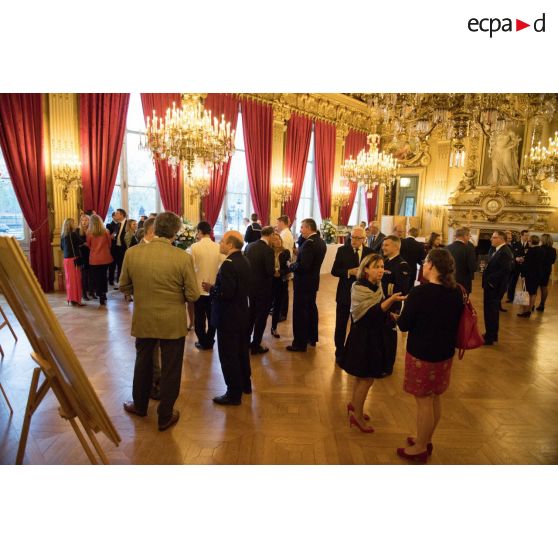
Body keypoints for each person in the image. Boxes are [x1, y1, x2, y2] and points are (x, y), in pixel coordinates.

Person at [120, 212, 200, 431]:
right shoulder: (182, 257)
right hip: (172, 322)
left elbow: (124, 286)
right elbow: (193, 294)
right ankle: (165, 415)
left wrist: (143, 294)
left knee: (143, 363)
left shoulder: (132, 253)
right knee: (171, 368)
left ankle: (140, 405)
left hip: (144, 318)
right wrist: (174, 296)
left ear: (154, 228)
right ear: (176, 232)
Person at [396, 248, 464, 463]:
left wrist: (401, 311)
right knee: (434, 398)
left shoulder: (420, 293)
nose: (423, 265)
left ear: (432, 266)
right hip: (445, 353)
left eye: (426, 262)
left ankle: (420, 448)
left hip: (422, 354)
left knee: (424, 401)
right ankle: (425, 439)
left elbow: (404, 325)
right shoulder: (457, 291)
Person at [340, 254, 405, 432]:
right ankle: (358, 417)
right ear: (366, 269)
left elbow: (379, 312)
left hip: (372, 336)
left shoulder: (376, 285)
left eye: (382, 266)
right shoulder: (359, 286)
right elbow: (370, 314)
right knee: (367, 379)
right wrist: (391, 300)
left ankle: (354, 405)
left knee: (361, 377)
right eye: (376, 267)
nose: (381, 270)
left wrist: (390, 315)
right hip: (363, 337)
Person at [203, 231, 252, 405]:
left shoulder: (228, 264)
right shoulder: (244, 259)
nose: (220, 243)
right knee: (241, 352)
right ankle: (245, 385)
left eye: (223, 241)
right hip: (241, 313)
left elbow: (226, 293)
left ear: (230, 245)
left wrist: (211, 288)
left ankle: (233, 394)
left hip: (228, 317)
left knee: (228, 355)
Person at [331, 226, 372, 363]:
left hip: (363, 296)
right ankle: (339, 350)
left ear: (364, 239)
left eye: (357, 238)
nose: (354, 240)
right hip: (344, 293)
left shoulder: (370, 252)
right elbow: (335, 271)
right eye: (352, 237)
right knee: (341, 324)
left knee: (358, 325)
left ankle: (354, 350)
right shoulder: (342, 250)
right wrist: (349, 272)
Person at [287, 218, 327, 352]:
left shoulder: (309, 243)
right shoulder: (320, 241)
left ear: (309, 228)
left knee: (300, 313)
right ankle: (311, 337)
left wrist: (291, 266)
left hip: (303, 283)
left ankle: (299, 343)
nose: (300, 230)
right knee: (311, 310)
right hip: (312, 282)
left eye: (302, 227)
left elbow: (304, 267)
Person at [190, 221, 222, 350]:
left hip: (199, 287)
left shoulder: (194, 247)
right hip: (213, 287)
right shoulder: (218, 246)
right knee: (212, 316)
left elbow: (190, 267)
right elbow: (223, 265)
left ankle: (203, 341)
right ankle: (209, 340)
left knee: (199, 317)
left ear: (200, 231)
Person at [245, 225, 275, 354]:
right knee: (261, 317)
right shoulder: (268, 250)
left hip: (250, 287)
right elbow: (269, 271)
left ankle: (245, 342)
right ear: (271, 235)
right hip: (263, 289)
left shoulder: (249, 246)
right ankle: (256, 345)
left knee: (250, 315)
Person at [482, 230, 513, 345]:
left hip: (494, 287)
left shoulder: (505, 251)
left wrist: (490, 280)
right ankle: (490, 334)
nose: (491, 239)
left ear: (501, 239)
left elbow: (505, 270)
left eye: (494, 237)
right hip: (493, 286)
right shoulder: (499, 249)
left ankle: (490, 337)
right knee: (490, 311)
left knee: (491, 312)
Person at [86, 215, 113, 306]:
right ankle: (104, 294)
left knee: (97, 278)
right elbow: (109, 244)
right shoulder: (106, 231)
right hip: (105, 258)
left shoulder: (89, 232)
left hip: (94, 259)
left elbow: (89, 245)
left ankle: (99, 294)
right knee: (104, 276)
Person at [381, 235, 411, 313]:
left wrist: (379, 285)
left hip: (392, 305)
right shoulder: (386, 261)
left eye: (386, 245)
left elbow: (402, 290)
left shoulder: (402, 265)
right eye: (383, 245)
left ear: (396, 247)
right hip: (382, 301)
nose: (383, 248)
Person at [269, 232, 291, 338]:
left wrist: (280, 273)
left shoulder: (286, 252)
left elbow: (289, 268)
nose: (278, 241)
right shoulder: (268, 252)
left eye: (279, 239)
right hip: (270, 281)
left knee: (277, 305)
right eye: (275, 240)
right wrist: (272, 272)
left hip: (281, 282)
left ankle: (274, 328)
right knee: (266, 305)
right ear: (271, 242)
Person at [517, 235, 544, 318]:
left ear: (531, 241)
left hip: (529, 274)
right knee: (533, 293)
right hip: (537, 274)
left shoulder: (531, 250)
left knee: (526, 293)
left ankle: (525, 311)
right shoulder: (541, 250)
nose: (528, 242)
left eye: (529, 241)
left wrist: (523, 274)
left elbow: (527, 264)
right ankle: (529, 310)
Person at [60, 218, 83, 307]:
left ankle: (71, 298)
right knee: (76, 280)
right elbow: (80, 242)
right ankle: (76, 300)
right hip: (73, 259)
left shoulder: (63, 235)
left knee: (69, 280)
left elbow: (62, 247)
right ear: (71, 225)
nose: (75, 224)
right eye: (74, 223)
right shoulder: (73, 234)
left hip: (66, 260)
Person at [446, 227, 477, 293]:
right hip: (463, 284)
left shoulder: (446, 248)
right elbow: (473, 268)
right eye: (469, 236)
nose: (469, 238)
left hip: (448, 281)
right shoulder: (469, 249)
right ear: (465, 236)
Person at [276, 215, 294, 321]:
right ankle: (280, 311)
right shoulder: (285, 232)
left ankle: (282, 313)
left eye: (278, 223)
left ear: (282, 223)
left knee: (283, 291)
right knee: (281, 290)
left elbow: (283, 252)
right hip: (284, 264)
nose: (277, 225)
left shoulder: (285, 234)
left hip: (284, 266)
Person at [107, 208, 128, 288]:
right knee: (117, 266)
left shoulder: (128, 223)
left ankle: (121, 283)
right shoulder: (117, 224)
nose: (115, 215)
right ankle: (118, 282)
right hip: (116, 248)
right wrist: (113, 237)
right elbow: (116, 234)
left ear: (122, 215)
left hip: (124, 249)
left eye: (117, 214)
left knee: (122, 267)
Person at [506, 230, 529, 303]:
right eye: (525, 235)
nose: (527, 237)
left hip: (525, 267)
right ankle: (510, 298)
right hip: (516, 266)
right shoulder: (515, 244)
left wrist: (524, 259)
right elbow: (512, 253)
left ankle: (523, 300)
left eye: (528, 235)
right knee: (512, 282)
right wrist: (516, 258)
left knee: (525, 283)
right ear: (521, 236)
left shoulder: (529, 245)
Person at [536, 234, 556, 312]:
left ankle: (532, 304)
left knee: (534, 288)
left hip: (538, 270)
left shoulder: (539, 248)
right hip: (547, 270)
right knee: (544, 287)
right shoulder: (553, 250)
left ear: (543, 240)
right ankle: (542, 304)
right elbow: (553, 261)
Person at [77, 213, 93, 301]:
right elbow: (77, 242)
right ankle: (84, 294)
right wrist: (83, 243)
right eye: (82, 220)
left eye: (86, 220)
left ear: (89, 221)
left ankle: (91, 292)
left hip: (92, 254)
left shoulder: (92, 230)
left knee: (91, 275)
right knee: (84, 275)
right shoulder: (77, 230)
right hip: (82, 255)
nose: (84, 222)